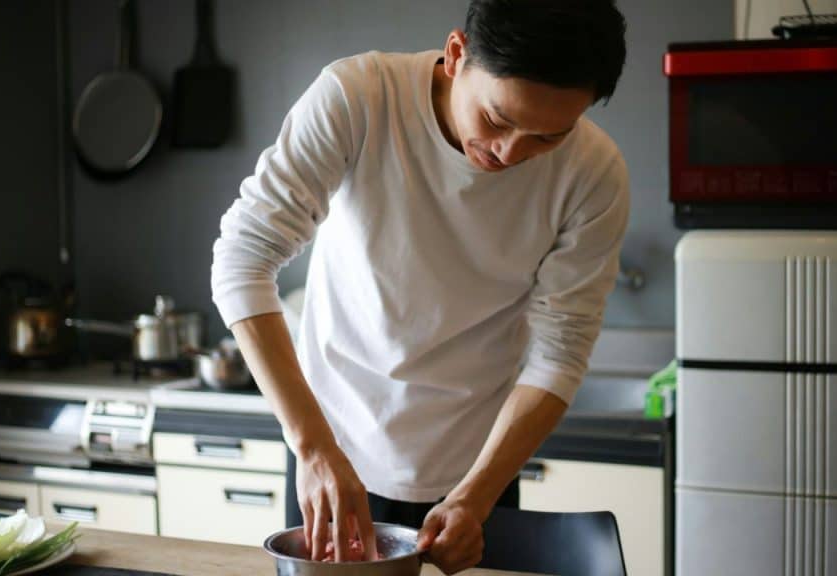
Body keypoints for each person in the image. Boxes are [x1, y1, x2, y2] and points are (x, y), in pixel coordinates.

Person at [211, 0, 629, 573]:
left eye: (545, 138)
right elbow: (242, 258)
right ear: (456, 54)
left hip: (478, 474)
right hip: (334, 455)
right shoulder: (358, 98)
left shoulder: (593, 173)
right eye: (498, 120)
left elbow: (560, 353)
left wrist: (475, 497)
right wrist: (312, 448)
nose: (509, 154)